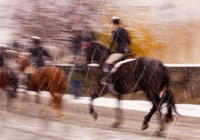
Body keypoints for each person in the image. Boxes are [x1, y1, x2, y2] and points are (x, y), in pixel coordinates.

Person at [101, 16, 131, 85]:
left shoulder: (115, 31)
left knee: (107, 63)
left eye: (112, 23)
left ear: (113, 23)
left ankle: (109, 79)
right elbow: (129, 41)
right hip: (128, 51)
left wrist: (109, 50)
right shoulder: (124, 30)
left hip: (121, 51)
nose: (112, 25)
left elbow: (112, 43)